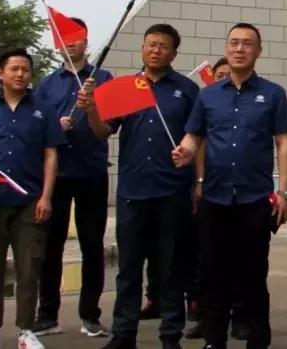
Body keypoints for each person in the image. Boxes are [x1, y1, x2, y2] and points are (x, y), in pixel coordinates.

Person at [171, 23, 287, 349]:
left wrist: (284, 191)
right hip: (215, 197)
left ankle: (257, 340)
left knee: (253, 276)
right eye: (234, 43)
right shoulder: (208, 95)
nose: (240, 49)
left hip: (254, 199)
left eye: (247, 44)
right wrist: (185, 150)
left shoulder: (272, 93)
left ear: (258, 51)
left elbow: (283, 141)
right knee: (213, 276)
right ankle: (215, 340)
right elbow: (194, 135)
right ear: (226, 49)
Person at [77, 24, 199, 349]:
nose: (156, 50)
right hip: (132, 192)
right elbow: (103, 131)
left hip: (173, 192)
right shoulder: (125, 87)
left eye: (163, 46)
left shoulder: (187, 90)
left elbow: (199, 138)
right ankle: (123, 335)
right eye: (150, 44)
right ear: (142, 48)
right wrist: (91, 111)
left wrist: (196, 179)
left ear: (174, 52)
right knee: (128, 270)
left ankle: (170, 336)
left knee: (171, 270)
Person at [33, 18, 112, 339]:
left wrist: (91, 106)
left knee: (92, 247)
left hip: (92, 172)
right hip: (57, 176)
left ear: (86, 42)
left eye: (77, 38)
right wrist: (56, 126)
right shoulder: (46, 85)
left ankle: (90, 316)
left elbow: (106, 128)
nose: (71, 44)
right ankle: (47, 314)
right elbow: (35, 128)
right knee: (49, 248)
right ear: (58, 44)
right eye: (65, 38)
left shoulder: (102, 78)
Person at [0, 49, 64, 349]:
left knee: (29, 267)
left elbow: (50, 156)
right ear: (1, 73)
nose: (20, 74)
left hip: (30, 202)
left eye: (26, 70)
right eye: (14, 69)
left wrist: (46, 196)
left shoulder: (43, 111)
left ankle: (26, 330)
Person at [182, 56, 234, 343]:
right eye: (220, 74)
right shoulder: (207, 102)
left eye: (228, 74)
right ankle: (207, 320)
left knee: (241, 263)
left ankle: (239, 319)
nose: (224, 77)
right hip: (210, 191)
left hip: (241, 193)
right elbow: (197, 143)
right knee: (207, 262)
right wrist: (200, 181)